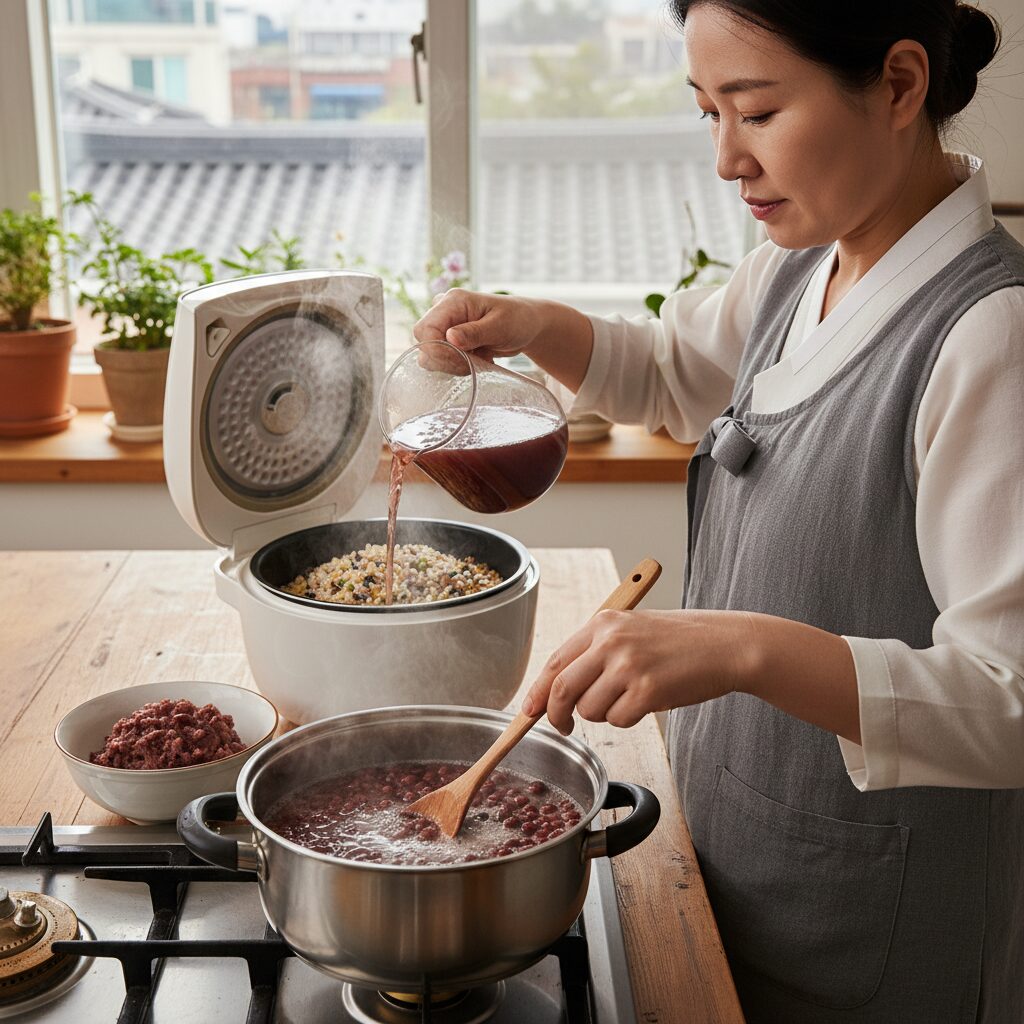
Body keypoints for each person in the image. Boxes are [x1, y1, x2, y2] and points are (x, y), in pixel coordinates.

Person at [414, 1, 1024, 1020]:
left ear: (900, 84)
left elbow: (1010, 700)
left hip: (873, 932)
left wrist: (742, 647)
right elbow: (670, 372)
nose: (726, 160)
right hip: (742, 867)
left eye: (758, 111)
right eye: (708, 112)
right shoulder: (804, 260)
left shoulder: (990, 337)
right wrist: (531, 324)